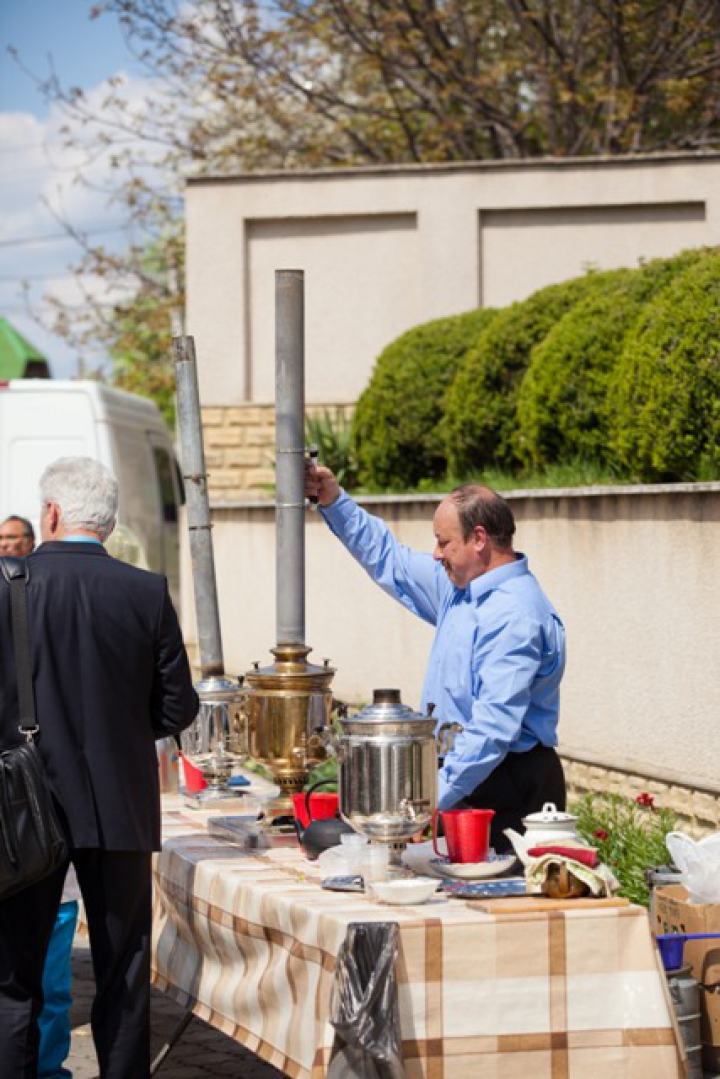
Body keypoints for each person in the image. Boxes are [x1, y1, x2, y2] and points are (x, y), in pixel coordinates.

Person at [0, 456, 199, 1078]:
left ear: (51, 514)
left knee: (13, 978)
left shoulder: (8, 585)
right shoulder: (144, 590)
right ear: (106, 526)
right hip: (119, 802)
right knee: (124, 971)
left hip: (21, 806)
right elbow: (177, 707)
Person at [305, 464, 566, 853]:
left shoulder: (514, 615)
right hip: (465, 776)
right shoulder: (459, 587)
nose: (436, 553)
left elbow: (493, 728)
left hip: (508, 787)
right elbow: (389, 558)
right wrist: (333, 500)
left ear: (478, 539)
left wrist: (430, 802)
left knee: (499, 906)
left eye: (445, 543)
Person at [0, 514, 80, 1079]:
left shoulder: (36, 601)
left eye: (13, 541)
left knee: (41, 980)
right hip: (29, 811)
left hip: (33, 813)